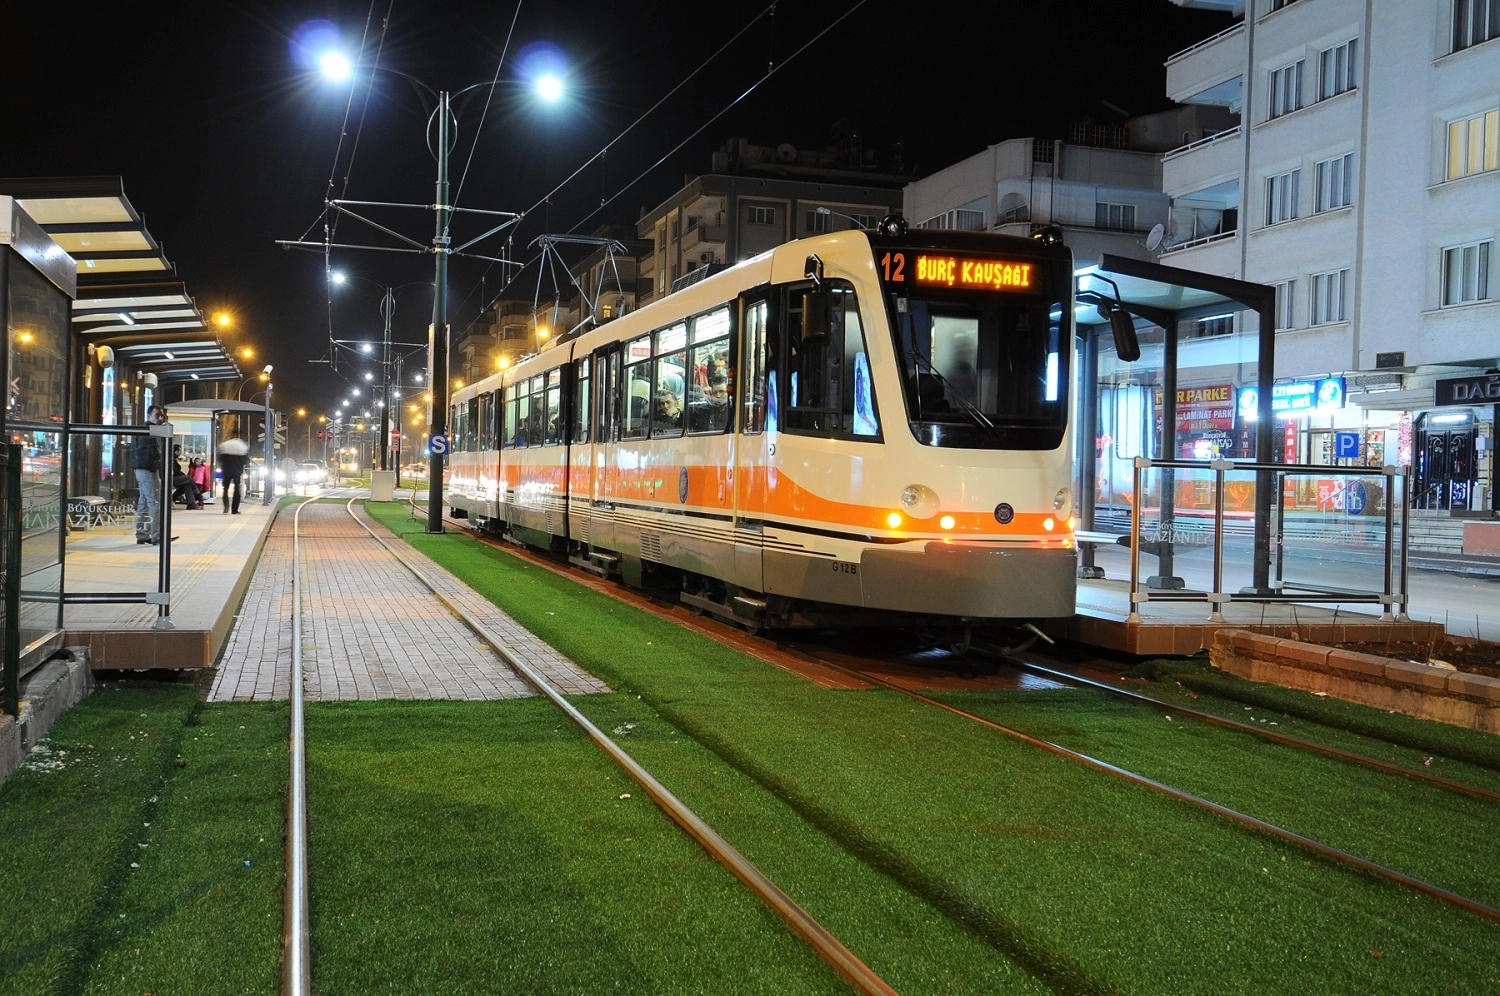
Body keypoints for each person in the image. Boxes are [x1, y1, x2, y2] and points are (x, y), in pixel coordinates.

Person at [130, 405, 167, 545]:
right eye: (157, 415)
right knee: (154, 502)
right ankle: (157, 536)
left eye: (161, 415)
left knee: (144, 502)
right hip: (148, 470)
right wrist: (157, 466)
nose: (160, 418)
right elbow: (150, 453)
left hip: (142, 469)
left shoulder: (148, 430)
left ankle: (142, 534)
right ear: (149, 416)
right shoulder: (149, 431)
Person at [218, 428, 250, 514]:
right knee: (237, 488)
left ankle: (226, 506)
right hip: (237, 469)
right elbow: (245, 460)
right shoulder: (243, 446)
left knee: (225, 488)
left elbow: (220, 458)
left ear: (232, 434)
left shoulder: (224, 445)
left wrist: (223, 465)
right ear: (240, 435)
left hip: (226, 469)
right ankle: (234, 509)